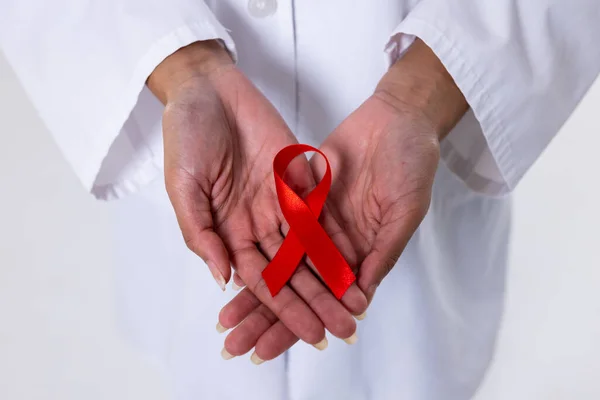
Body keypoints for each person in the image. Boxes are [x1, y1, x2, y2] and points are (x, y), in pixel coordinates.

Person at [1, 1, 599, 399]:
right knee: (195, 356)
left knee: (416, 360)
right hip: (176, 113)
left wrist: (425, 92)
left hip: (431, 143)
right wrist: (181, 63)